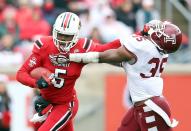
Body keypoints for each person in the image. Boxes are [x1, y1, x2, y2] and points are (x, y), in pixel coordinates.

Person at [69, 20, 182, 131]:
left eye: (159, 31)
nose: (156, 30)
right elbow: (121, 61)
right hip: (142, 105)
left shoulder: (143, 47)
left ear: (160, 38)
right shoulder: (159, 52)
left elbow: (109, 56)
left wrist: (74, 57)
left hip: (150, 107)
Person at [16, 12, 121, 131]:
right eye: (60, 34)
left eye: (67, 36)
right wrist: (36, 83)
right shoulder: (45, 46)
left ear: (76, 35)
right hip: (47, 103)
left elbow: (107, 49)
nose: (62, 40)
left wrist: (133, 40)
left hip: (66, 104)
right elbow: (21, 74)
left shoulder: (82, 47)